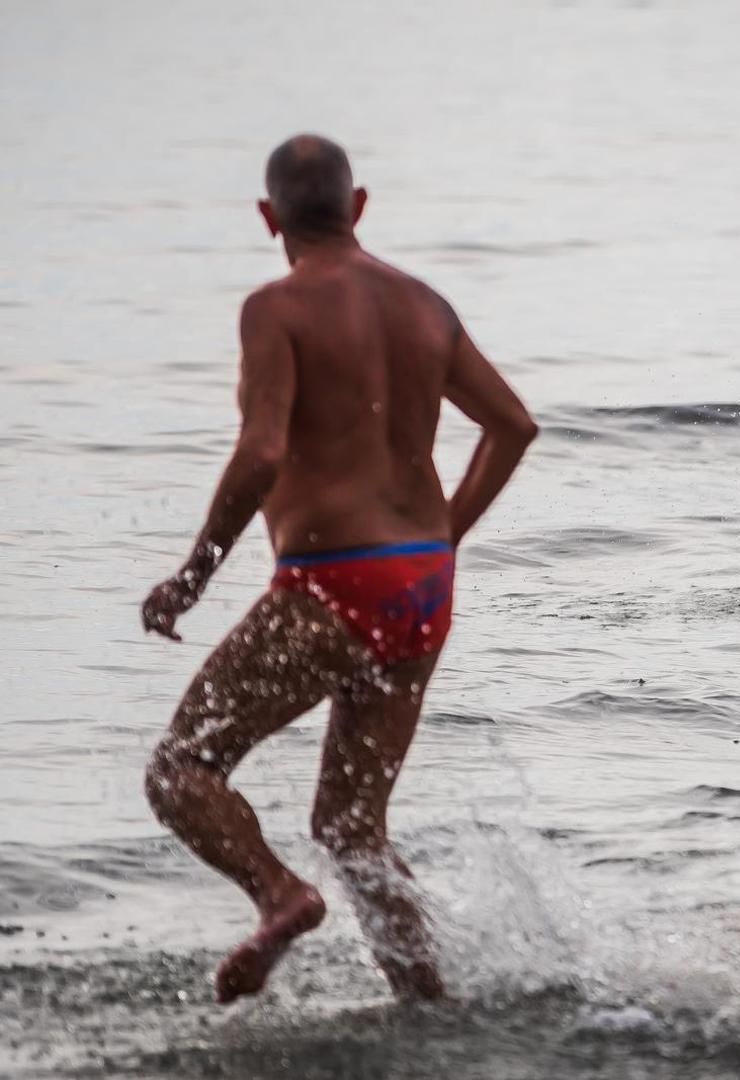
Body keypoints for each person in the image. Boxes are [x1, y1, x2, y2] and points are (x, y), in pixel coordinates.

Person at [140, 134, 538, 1003]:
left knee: (181, 772)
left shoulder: (275, 307)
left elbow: (260, 451)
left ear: (267, 217)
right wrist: (447, 538)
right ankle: (425, 1003)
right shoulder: (426, 304)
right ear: (359, 209)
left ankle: (280, 897)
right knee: (354, 827)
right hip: (424, 590)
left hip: (331, 585)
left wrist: (193, 575)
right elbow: (513, 427)